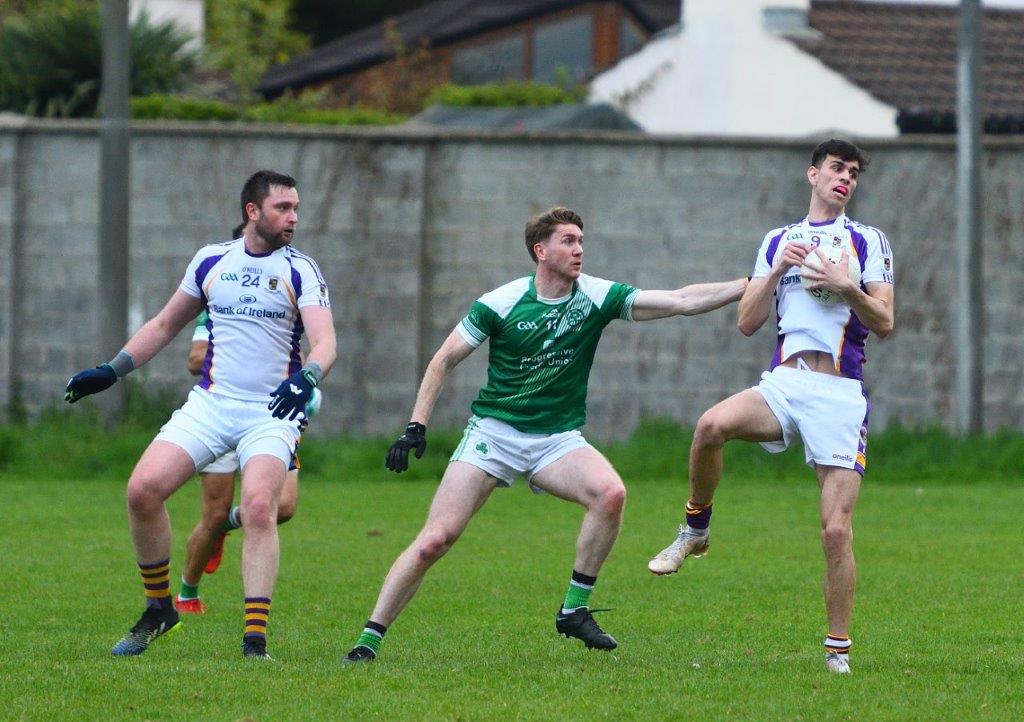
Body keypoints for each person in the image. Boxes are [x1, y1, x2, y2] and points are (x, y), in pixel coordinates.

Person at [342, 206, 748, 663]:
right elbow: (443, 360)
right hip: (493, 434)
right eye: (568, 241)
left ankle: (573, 610)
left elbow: (679, 300)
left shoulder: (596, 295)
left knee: (610, 493)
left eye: (581, 240)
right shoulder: (501, 302)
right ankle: (367, 642)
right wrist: (415, 427)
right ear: (541, 250)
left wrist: (748, 286)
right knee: (436, 539)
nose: (579, 249)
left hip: (555, 439)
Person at [646, 139, 895, 675]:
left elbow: (885, 320)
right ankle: (695, 528)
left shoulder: (867, 240)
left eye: (853, 172)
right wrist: (778, 268)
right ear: (812, 174)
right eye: (836, 168)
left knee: (835, 530)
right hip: (785, 382)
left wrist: (845, 286)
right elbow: (747, 321)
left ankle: (838, 651)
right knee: (711, 425)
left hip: (839, 394)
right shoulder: (778, 240)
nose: (845, 178)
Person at [65, 170, 336, 659]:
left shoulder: (302, 269)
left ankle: (254, 641)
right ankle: (158, 610)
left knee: (259, 507)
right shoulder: (212, 260)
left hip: (271, 411)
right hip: (210, 404)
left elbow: (326, 341)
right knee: (142, 490)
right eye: (282, 208)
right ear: (252, 211)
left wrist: (307, 377)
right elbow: (167, 323)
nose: (293, 217)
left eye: (296, 207)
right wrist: (113, 369)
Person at [174, 308, 322, 614]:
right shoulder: (219, 308)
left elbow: (301, 354)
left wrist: (306, 385)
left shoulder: (286, 304)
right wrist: (248, 361)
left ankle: (227, 525)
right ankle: (187, 593)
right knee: (213, 515)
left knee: (284, 507)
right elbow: (194, 359)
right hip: (221, 414)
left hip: (271, 418)